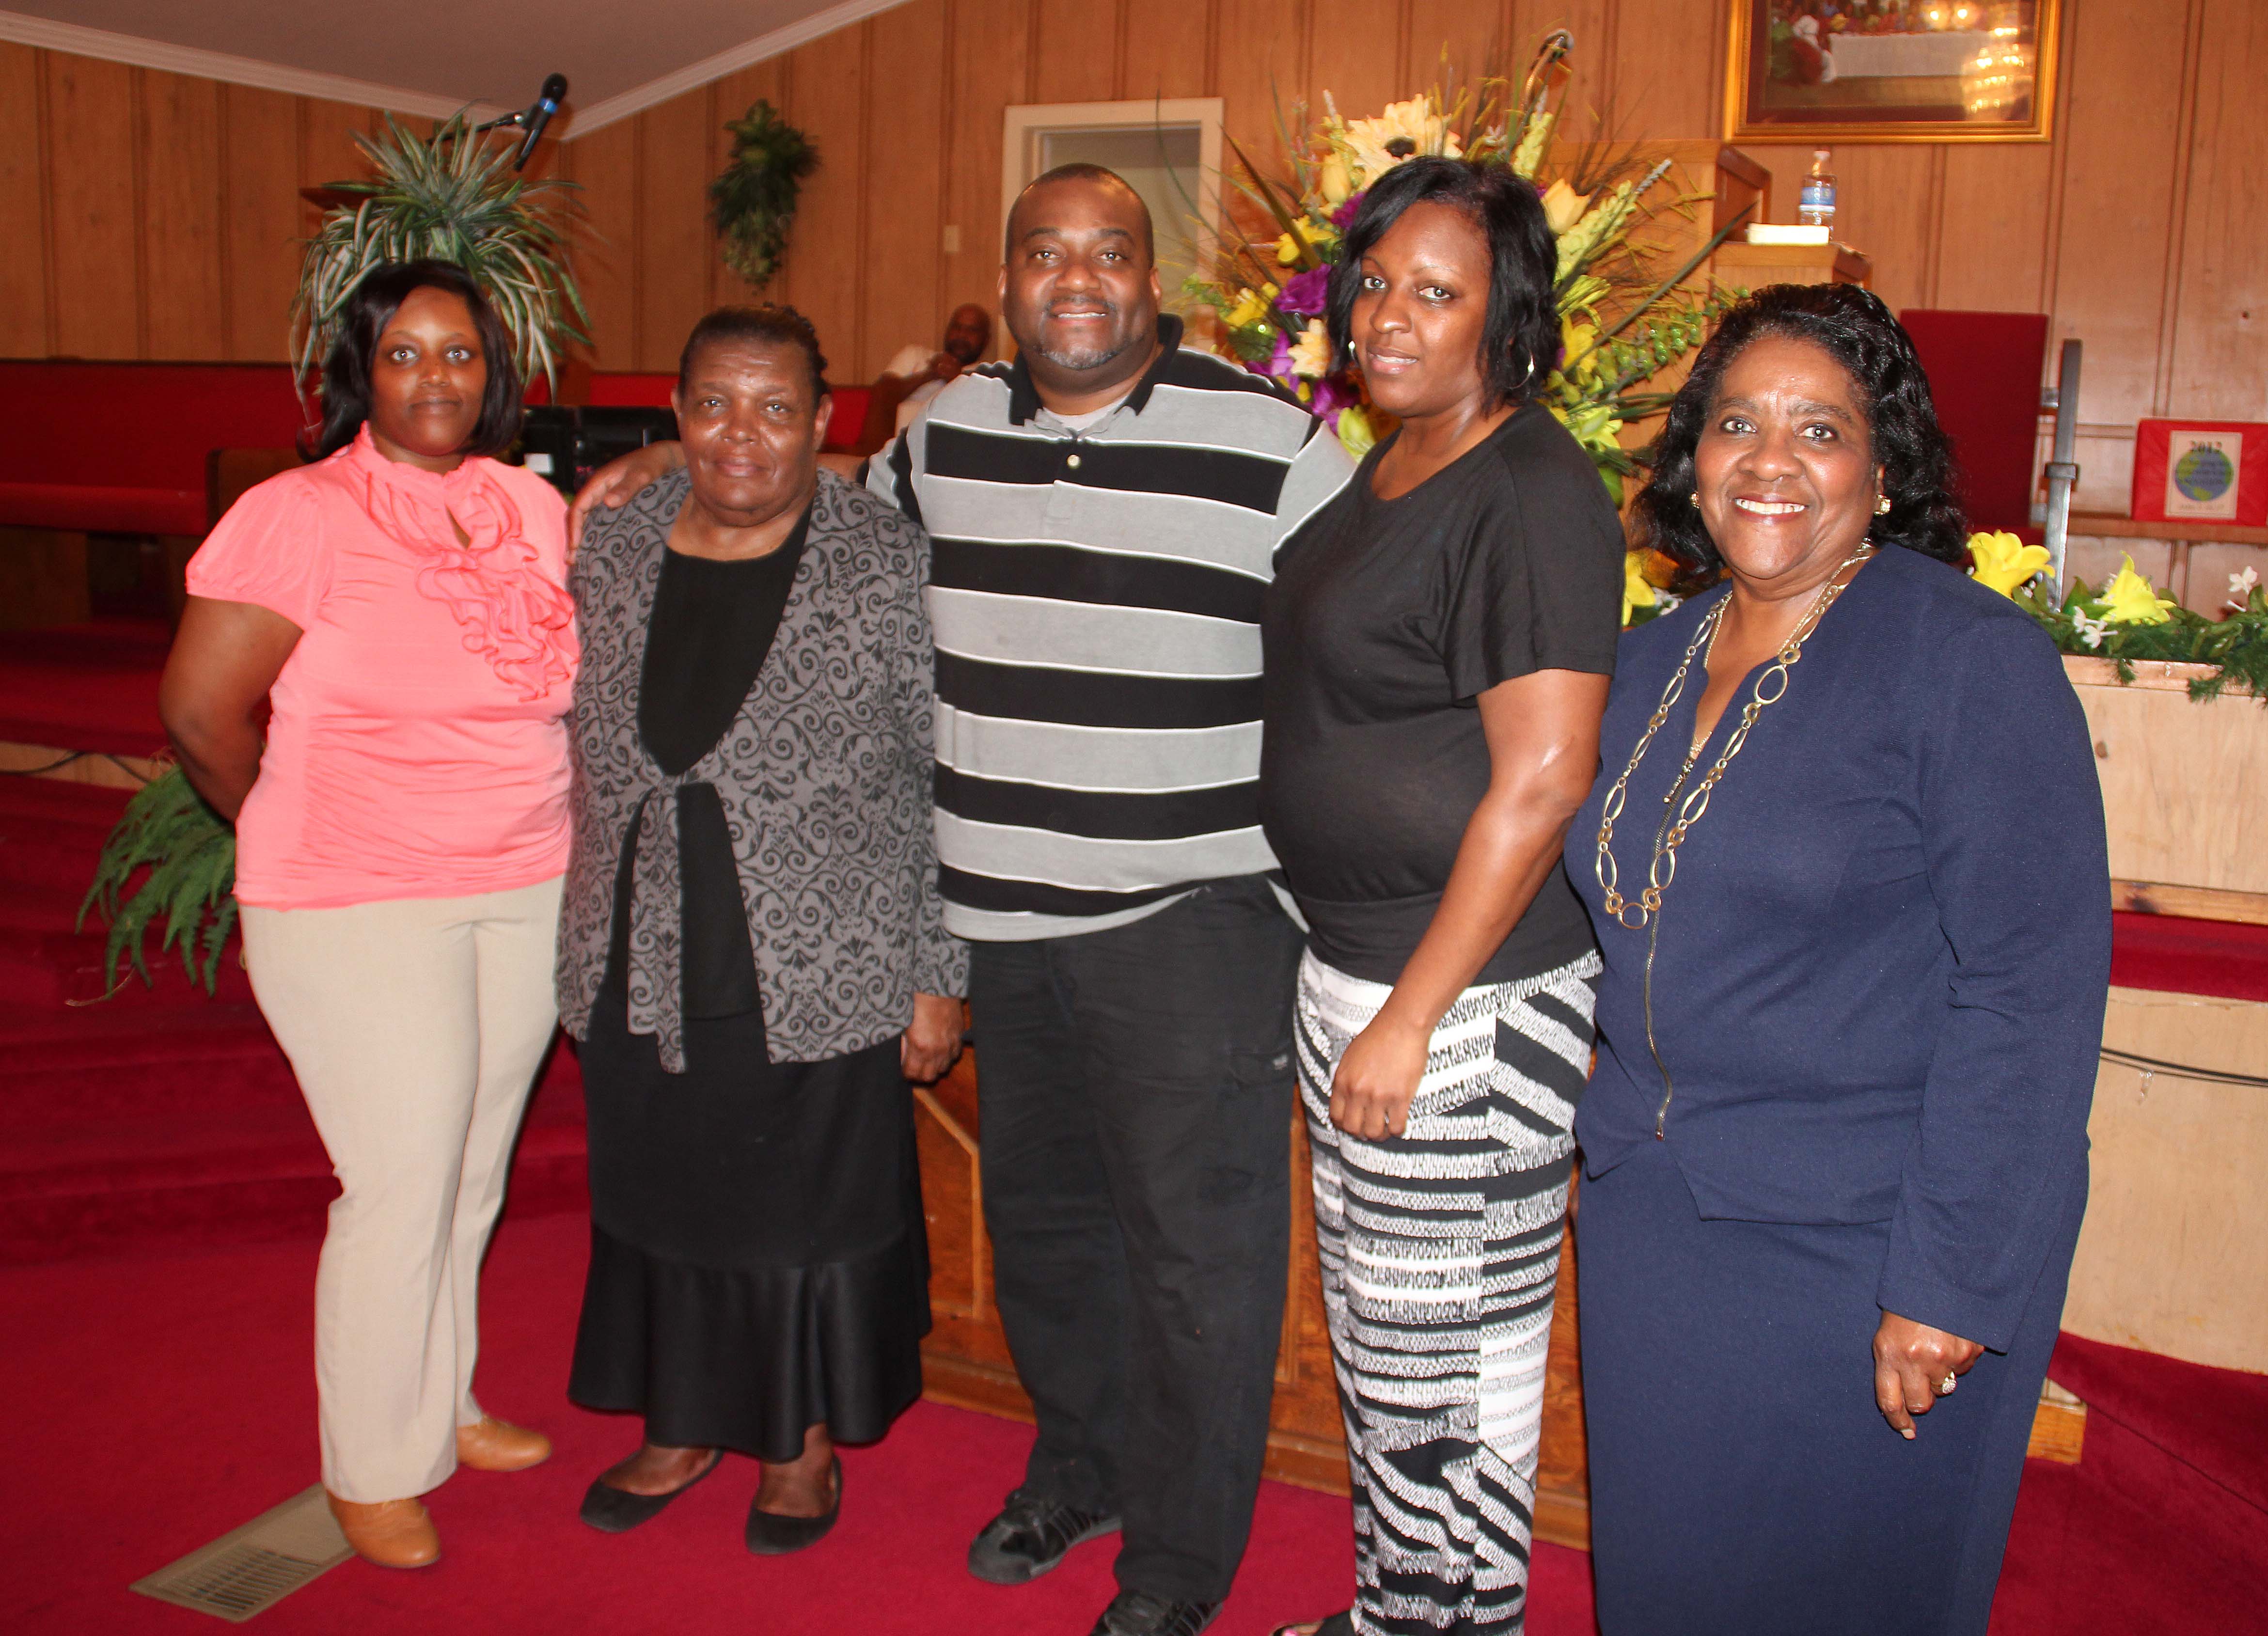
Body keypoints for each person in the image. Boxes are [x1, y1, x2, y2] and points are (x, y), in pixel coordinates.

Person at [570, 163, 1353, 1636]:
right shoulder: (941, 435)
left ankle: (1178, 1562)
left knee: (1198, 1259)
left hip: (1190, 919)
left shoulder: (1269, 439)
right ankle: (1081, 1469)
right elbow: (795, 507)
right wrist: (666, 461)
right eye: (1046, 253)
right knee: (1047, 1236)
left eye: (1108, 252)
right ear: (1006, 282)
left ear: (1152, 279)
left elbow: (1363, 639)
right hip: (1005, 924)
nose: (1077, 280)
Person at [1565, 282, 2109, 1635]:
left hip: (1870, 1243)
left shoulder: (1967, 661)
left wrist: (1947, 1282)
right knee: (1666, 1587)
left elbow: (2029, 992)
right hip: (1655, 1217)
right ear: (1692, 456)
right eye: (1737, 423)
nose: (1770, 460)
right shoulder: (1645, 659)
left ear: (1884, 470)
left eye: (1820, 430)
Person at [158, 260, 576, 1569]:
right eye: (404, 352)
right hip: (358, 896)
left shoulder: (527, 503)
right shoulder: (298, 513)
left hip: (524, 880)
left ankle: (442, 1403)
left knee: (471, 1170)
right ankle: (374, 1466)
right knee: (398, 1178)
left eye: (459, 352)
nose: (434, 376)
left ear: (493, 372)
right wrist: (285, 821)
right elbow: (199, 714)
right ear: (361, 371)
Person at [1258, 157, 1623, 1636]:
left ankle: (1435, 1619)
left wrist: (1410, 1018)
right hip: (1369, 972)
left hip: (1465, 1004)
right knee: (1399, 1350)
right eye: (1374, 283)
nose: (1387, 316)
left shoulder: (1530, 490)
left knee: (1446, 1365)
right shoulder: (1401, 454)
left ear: (1506, 319)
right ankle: (1412, 1614)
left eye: (1435, 291)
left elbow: (1545, 780)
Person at [557, 303, 967, 1553]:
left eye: (776, 408)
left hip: (818, 951)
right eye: (714, 406)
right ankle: (681, 1423)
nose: (743, 434)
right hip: (637, 936)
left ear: (823, 421)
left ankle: (798, 1442)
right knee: (660, 1194)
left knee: (799, 1211)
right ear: (676, 415)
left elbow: (944, 771)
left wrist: (938, 969)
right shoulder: (613, 540)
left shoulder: (884, 558)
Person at [860, 302, 994, 443]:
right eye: (957, 327)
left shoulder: (988, 376)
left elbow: (985, 419)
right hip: (896, 444)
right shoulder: (915, 355)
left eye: (972, 330)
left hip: (948, 448)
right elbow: (882, 394)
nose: (962, 335)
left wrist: (957, 379)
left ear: (986, 340)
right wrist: (930, 374)